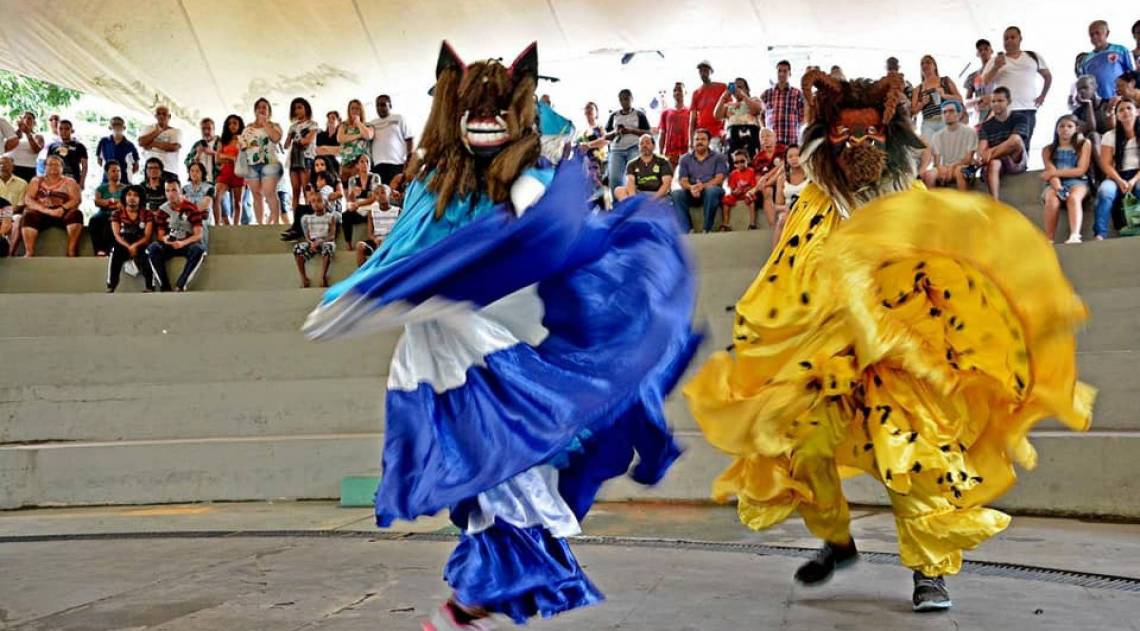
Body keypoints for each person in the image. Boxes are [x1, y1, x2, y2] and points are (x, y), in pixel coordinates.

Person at [302, 42, 699, 630]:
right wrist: (361, 295)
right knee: (486, 474)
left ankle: (474, 601)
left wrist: (528, 217)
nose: (484, 122)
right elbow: (405, 251)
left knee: (508, 472)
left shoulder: (526, 179)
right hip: (449, 345)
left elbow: (546, 229)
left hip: (509, 343)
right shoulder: (432, 184)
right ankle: (475, 601)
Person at [684, 68, 1093, 614]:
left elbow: (944, 273)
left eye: (871, 136)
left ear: (889, 138)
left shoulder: (912, 199)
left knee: (915, 457)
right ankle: (836, 540)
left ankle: (930, 572)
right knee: (800, 446)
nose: (860, 145)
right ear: (826, 142)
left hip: (898, 356)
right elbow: (786, 269)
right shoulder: (813, 202)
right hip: (825, 356)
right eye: (848, 136)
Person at [981, 26, 1052, 149]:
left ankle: (1022, 167)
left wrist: (1042, 96)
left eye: (1012, 37)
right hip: (1005, 111)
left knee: (1023, 146)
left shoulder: (1032, 56)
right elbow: (985, 82)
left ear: (1020, 39)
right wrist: (996, 66)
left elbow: (1047, 76)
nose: (1009, 41)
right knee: (1004, 147)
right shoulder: (995, 60)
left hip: (1028, 108)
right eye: (1006, 38)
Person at [147, 179, 206, 292]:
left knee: (198, 249)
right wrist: (166, 240)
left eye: (174, 190)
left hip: (187, 243)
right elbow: (160, 235)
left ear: (180, 191)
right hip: (170, 244)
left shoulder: (191, 208)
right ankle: (164, 285)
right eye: (167, 191)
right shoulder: (162, 210)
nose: (170, 194)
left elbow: (198, 234)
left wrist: (182, 243)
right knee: (153, 248)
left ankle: (181, 284)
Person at [1041, 115, 1092, 243]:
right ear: (1056, 129)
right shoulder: (1048, 150)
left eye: (1070, 126)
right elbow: (1051, 174)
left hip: (1078, 181)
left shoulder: (1084, 144)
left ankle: (1075, 235)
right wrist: (1059, 188)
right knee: (1052, 199)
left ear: (1076, 129)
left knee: (1073, 198)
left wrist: (1053, 172)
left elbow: (1080, 170)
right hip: (1055, 183)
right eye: (1061, 126)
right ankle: (1049, 238)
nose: (1065, 129)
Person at [1094, 97, 1140, 240]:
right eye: (1121, 110)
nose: (1125, 112)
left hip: (1137, 175)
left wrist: (1133, 181)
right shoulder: (1110, 136)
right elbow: (1105, 164)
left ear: (1137, 111)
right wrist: (1119, 180)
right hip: (1116, 175)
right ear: (1117, 116)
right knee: (1105, 191)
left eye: (1129, 108)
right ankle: (1100, 233)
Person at [20, 155, 83, 257]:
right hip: (42, 211)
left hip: (62, 212)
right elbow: (28, 199)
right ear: (45, 167)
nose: (53, 167)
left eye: (57, 165)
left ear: (62, 168)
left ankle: (71, 250)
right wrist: (46, 210)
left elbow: (76, 199)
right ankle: (29, 251)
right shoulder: (36, 181)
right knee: (28, 215)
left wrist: (63, 208)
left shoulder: (70, 182)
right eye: (50, 164)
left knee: (76, 214)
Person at [976, 87, 1031, 199]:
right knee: (994, 163)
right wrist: (984, 156)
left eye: (1000, 101)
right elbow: (982, 151)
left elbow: (1015, 141)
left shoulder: (1020, 118)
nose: (996, 104)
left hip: (1014, 160)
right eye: (993, 101)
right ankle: (994, 203)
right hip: (994, 161)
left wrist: (990, 151)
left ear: (1008, 102)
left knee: (1016, 141)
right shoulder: (986, 126)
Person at [671, 128, 728, 233]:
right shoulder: (685, 159)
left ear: (708, 141)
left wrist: (703, 186)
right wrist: (691, 187)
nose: (699, 142)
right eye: (697, 139)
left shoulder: (718, 157)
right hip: (692, 192)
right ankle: (688, 229)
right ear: (693, 142)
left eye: (703, 139)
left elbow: (719, 178)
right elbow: (683, 180)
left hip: (711, 192)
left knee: (712, 191)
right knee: (676, 194)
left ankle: (707, 228)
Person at [239, 98, 285, 225]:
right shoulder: (248, 127)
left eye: (265, 107)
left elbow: (276, 138)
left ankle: (276, 222)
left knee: (269, 191)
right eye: (259, 107)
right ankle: (260, 224)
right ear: (255, 110)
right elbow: (242, 144)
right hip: (252, 164)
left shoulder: (274, 125)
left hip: (270, 162)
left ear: (269, 111)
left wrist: (265, 124)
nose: (261, 109)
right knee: (256, 194)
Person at [106, 184, 155, 293]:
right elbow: (117, 235)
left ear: (141, 198)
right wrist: (129, 247)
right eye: (129, 195)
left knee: (147, 254)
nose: (132, 198)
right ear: (124, 197)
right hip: (123, 243)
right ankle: (111, 285)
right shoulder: (116, 214)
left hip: (140, 243)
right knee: (115, 252)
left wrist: (135, 246)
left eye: (136, 195)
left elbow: (147, 236)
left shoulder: (147, 214)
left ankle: (150, 286)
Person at [923, 100, 978, 190]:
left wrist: (952, 167)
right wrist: (940, 168)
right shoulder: (937, 136)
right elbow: (936, 162)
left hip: (969, 168)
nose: (947, 114)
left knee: (960, 171)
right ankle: (932, 203)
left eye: (951, 111)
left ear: (959, 114)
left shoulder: (970, 132)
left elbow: (968, 159)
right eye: (944, 112)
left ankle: (962, 202)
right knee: (929, 174)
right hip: (946, 168)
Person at [604, 89, 651, 194]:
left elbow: (649, 133)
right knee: (615, 178)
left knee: (634, 176)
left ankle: (636, 202)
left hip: (634, 147)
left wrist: (631, 131)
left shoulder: (639, 114)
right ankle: (618, 205)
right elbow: (605, 136)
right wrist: (616, 132)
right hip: (616, 150)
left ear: (631, 99)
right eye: (621, 99)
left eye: (626, 98)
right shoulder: (614, 116)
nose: (624, 101)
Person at [1079, 20, 1136, 100]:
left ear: (1107, 33)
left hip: (1121, 99)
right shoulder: (1086, 61)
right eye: (1091, 35)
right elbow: (1085, 84)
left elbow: (1133, 73)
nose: (1094, 37)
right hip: (1099, 104)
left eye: (1097, 33)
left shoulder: (1121, 50)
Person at [292, 185, 336, 288]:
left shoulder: (330, 217)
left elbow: (332, 235)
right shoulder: (308, 218)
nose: (316, 204)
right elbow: (307, 235)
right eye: (313, 201)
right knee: (297, 248)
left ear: (325, 203)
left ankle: (323, 276)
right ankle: (304, 277)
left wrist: (321, 241)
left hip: (325, 241)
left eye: (319, 201)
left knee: (328, 247)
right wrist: (311, 243)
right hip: (313, 243)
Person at [912, 55, 963, 142]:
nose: (925, 65)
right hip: (928, 123)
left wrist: (944, 96)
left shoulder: (945, 81)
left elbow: (960, 99)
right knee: (929, 151)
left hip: (945, 119)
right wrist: (922, 104)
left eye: (928, 62)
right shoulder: (918, 89)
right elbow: (913, 111)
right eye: (922, 64)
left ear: (934, 66)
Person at [367, 94, 413, 189]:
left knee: (396, 193)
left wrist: (409, 159)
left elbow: (409, 138)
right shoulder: (372, 123)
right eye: (378, 105)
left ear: (390, 105)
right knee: (381, 194)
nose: (380, 108)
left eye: (383, 105)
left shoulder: (399, 118)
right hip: (378, 165)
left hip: (397, 164)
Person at [614, 134, 673, 202]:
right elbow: (630, 183)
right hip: (639, 194)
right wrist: (633, 200)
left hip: (658, 194)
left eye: (647, 143)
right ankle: (634, 209)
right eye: (641, 144)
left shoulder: (663, 161)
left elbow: (666, 184)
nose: (644, 145)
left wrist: (653, 199)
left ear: (654, 146)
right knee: (618, 190)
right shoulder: (632, 164)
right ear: (639, 147)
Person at [749, 128, 788, 230]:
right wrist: (763, 184)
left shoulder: (784, 150)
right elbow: (758, 178)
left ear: (775, 138)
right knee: (766, 191)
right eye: (762, 137)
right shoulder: (757, 158)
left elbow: (784, 166)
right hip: (768, 186)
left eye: (768, 136)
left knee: (781, 175)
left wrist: (767, 179)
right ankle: (773, 226)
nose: (765, 139)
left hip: (784, 180)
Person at [284, 98, 319, 212]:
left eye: (300, 107)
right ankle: (296, 218)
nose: (297, 111)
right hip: (294, 157)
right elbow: (286, 145)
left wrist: (298, 141)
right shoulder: (292, 127)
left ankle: (309, 213)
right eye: (295, 109)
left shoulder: (312, 124)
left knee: (306, 188)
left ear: (306, 108)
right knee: (295, 190)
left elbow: (307, 141)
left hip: (306, 157)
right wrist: (290, 135)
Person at [762, 60, 806, 148]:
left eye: (785, 71)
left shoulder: (797, 93)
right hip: (772, 141)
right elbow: (761, 116)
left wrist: (795, 130)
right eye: (779, 71)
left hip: (791, 139)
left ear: (790, 74)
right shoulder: (766, 94)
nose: (781, 74)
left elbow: (803, 117)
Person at [716, 77, 764, 157]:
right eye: (735, 88)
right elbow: (717, 115)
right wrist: (723, 97)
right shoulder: (729, 105)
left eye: (740, 87)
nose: (737, 90)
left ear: (747, 89)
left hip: (751, 137)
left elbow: (757, 110)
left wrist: (744, 96)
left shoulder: (754, 100)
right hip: (733, 139)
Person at [354, 183, 399, 266]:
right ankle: (363, 274)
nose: (380, 196)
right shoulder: (372, 212)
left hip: (392, 241)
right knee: (360, 245)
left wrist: (388, 240)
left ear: (389, 194)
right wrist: (375, 239)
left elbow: (401, 231)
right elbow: (370, 234)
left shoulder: (398, 211)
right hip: (377, 241)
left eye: (383, 193)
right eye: (377, 194)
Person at [343, 154, 383, 248]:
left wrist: (358, 204)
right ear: (357, 165)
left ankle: (374, 240)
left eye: (367, 162)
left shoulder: (375, 177)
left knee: (374, 211)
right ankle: (349, 244)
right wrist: (353, 193)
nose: (365, 164)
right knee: (345, 216)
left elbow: (375, 197)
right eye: (362, 162)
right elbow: (350, 199)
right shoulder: (352, 180)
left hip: (371, 206)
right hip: (359, 209)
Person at [215, 115, 246, 225]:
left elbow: (243, 157)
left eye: (235, 123)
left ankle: (236, 227)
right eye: (229, 123)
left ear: (240, 125)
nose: (232, 126)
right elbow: (217, 159)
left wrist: (225, 156)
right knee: (217, 195)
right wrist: (231, 158)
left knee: (237, 203)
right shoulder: (222, 140)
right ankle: (217, 224)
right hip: (226, 172)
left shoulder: (244, 139)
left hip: (239, 173)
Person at [91, 160, 127, 256]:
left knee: (112, 220)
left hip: (120, 214)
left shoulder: (126, 188)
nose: (117, 173)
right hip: (103, 213)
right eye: (114, 171)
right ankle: (99, 250)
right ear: (107, 173)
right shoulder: (101, 188)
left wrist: (108, 202)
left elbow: (125, 204)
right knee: (94, 220)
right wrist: (114, 202)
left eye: (119, 171)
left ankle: (110, 250)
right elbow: (97, 201)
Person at [690, 61, 728, 150]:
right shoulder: (696, 93)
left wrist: (725, 132)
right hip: (701, 136)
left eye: (706, 70)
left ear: (711, 71)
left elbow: (728, 111)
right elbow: (693, 119)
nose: (703, 73)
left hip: (717, 134)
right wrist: (691, 141)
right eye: (701, 71)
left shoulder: (722, 87)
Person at [138, 105, 182, 181]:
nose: (161, 116)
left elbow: (173, 148)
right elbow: (141, 142)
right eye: (158, 114)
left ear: (169, 116)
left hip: (169, 169)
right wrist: (157, 132)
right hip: (150, 169)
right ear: (155, 116)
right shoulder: (148, 128)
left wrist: (151, 143)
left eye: (164, 114)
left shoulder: (176, 131)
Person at [720, 149, 758, 231]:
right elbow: (731, 188)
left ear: (747, 160)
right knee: (726, 199)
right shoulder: (733, 174)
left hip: (747, 193)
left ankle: (752, 223)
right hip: (737, 195)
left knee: (752, 199)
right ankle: (725, 223)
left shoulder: (751, 172)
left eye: (742, 161)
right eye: (736, 162)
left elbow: (753, 186)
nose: (740, 164)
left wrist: (746, 190)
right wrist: (734, 191)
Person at [337, 99, 373, 184]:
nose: (354, 111)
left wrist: (358, 123)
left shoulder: (367, 125)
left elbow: (368, 135)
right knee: (346, 189)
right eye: (352, 108)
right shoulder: (344, 125)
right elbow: (340, 138)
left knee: (357, 188)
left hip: (359, 163)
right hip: (345, 162)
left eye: (357, 108)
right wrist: (359, 135)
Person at [95, 116, 140, 182]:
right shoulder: (103, 142)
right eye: (114, 125)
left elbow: (136, 166)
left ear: (124, 127)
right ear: (110, 127)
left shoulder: (130, 146)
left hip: (124, 181)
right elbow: (99, 161)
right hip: (107, 181)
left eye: (119, 125)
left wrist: (126, 175)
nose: (117, 127)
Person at [46, 120, 88, 188]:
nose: (63, 131)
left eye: (67, 129)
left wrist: (82, 182)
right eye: (61, 128)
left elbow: (84, 166)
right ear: (57, 130)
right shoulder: (52, 146)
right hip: (55, 179)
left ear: (71, 130)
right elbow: (48, 164)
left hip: (73, 179)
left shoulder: (79, 146)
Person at [0, 155, 28, 255]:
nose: (2, 166)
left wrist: (6, 215)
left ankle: (11, 252)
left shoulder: (22, 183)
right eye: (0, 164)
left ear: (13, 166)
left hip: (13, 213)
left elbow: (21, 204)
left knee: (18, 219)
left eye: (6, 163)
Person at [183, 161, 215, 248]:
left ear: (202, 173)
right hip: (188, 216)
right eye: (192, 171)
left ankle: (202, 250)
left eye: (197, 171)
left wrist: (190, 208)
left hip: (203, 216)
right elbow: (182, 205)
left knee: (201, 224)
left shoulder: (209, 187)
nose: (194, 173)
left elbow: (204, 205)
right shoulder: (184, 188)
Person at [658, 82, 690, 167]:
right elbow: (662, 133)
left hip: (687, 152)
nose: (677, 92)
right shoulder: (665, 113)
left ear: (685, 92)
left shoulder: (691, 112)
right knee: (670, 178)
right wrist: (661, 153)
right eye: (675, 90)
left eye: (680, 90)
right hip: (670, 153)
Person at [7, 112, 45, 181]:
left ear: (34, 122)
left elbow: (36, 150)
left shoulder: (38, 136)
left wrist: (28, 133)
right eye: (24, 117)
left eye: (29, 118)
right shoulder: (12, 134)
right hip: (11, 167)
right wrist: (19, 130)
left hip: (29, 169)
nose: (26, 120)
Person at [966, 39, 996, 125]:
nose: (983, 52)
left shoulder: (1000, 71)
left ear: (991, 51)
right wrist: (978, 101)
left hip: (998, 112)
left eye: (986, 49)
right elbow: (968, 101)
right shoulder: (973, 76)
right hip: (981, 116)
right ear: (977, 53)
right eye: (980, 50)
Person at [184, 118, 220, 187]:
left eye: (209, 128)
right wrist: (197, 155)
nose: (206, 131)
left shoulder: (221, 142)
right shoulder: (197, 144)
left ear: (214, 129)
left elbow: (227, 160)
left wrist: (213, 153)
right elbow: (187, 162)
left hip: (217, 183)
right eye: (203, 129)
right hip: (200, 184)